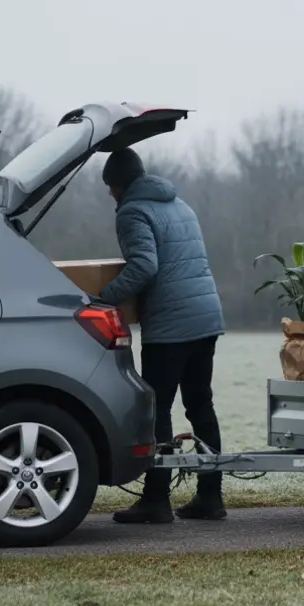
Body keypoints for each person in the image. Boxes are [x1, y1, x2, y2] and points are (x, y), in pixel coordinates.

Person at [96, 147, 228, 524]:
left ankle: (156, 499)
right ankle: (210, 497)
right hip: (206, 318)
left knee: (157, 409)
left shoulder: (133, 211)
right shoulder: (179, 204)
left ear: (118, 185)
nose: (110, 195)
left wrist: (103, 299)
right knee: (201, 406)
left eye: (110, 187)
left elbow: (144, 266)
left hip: (171, 326)